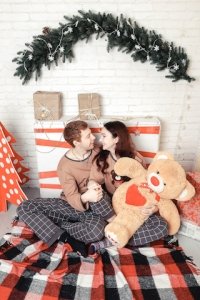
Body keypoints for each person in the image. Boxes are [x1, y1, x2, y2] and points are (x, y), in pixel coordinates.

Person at [17, 120, 115, 257]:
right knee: (24, 207)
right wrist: (86, 197)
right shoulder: (64, 166)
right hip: (70, 203)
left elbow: (121, 154)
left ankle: (57, 227)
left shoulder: (98, 150)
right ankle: (65, 237)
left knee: (96, 232)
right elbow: (72, 196)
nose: (94, 137)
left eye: (91, 134)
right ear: (76, 142)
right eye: (88, 136)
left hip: (96, 208)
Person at [88, 121, 168, 253]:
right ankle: (117, 224)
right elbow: (92, 180)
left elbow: (151, 188)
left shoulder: (136, 159)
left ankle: (111, 239)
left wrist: (154, 208)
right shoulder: (102, 159)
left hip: (134, 208)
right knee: (96, 197)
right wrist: (93, 186)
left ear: (116, 139)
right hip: (112, 208)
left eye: (104, 136)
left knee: (162, 226)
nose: (100, 139)